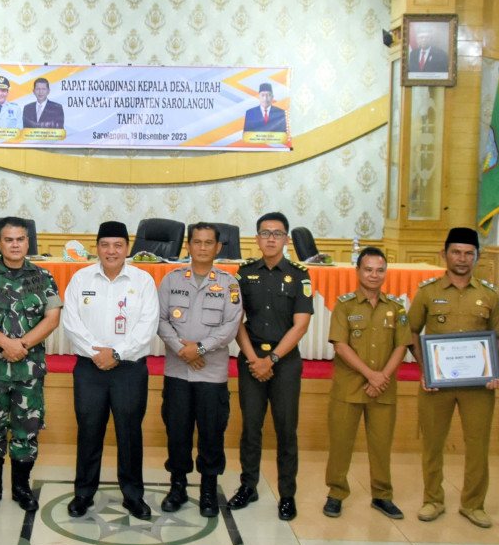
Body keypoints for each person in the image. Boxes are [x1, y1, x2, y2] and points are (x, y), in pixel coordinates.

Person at [408, 226, 499, 528]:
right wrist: (425, 370)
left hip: (479, 386)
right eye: (456, 252)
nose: (462, 259)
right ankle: (432, 499)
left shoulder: (489, 294)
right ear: (444, 253)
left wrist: (494, 369)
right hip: (437, 385)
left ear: (476, 257)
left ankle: (473, 504)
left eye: (468, 253)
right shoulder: (428, 292)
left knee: (477, 445)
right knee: (433, 443)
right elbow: (411, 330)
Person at [61, 221, 159, 519]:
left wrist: (117, 353)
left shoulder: (143, 281)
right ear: (97, 248)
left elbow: (148, 324)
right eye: (105, 245)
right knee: (89, 431)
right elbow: (71, 322)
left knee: (130, 433)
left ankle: (133, 495)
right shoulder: (80, 278)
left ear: (127, 248)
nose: (111, 251)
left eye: (118, 245)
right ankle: (83, 493)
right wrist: (98, 354)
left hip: (129, 369)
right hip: (89, 370)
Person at [0, 216, 62, 512]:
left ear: (28, 242)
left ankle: (21, 487)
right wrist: (5, 344)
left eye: (20, 239)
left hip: (28, 370)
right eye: (8, 239)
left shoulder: (43, 276)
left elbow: (53, 317)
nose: (15, 245)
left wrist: (21, 345)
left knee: (27, 428)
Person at [228, 212, 313, 520]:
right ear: (257, 238)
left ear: (286, 240)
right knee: (250, 427)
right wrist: (253, 359)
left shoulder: (300, 274)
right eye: (265, 233)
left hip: (285, 363)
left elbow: (300, 325)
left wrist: (272, 359)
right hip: (251, 360)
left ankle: (287, 494)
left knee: (285, 429)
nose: (271, 238)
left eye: (277, 234)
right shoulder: (244, 272)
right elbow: (235, 320)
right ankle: (247, 486)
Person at [157, 223, 243, 518]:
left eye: (209, 243)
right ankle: (177, 486)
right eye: (197, 242)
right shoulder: (171, 280)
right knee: (177, 431)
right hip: (178, 372)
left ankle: (208, 489)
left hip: (211, 374)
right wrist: (184, 350)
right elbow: (161, 320)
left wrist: (200, 349)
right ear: (188, 246)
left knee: (211, 433)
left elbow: (230, 327)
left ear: (219, 248)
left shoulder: (230, 284)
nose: (203, 247)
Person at [323, 247, 410, 519]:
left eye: (380, 270)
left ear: (385, 273)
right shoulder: (345, 305)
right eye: (368, 269)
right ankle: (336, 493)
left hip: (383, 390)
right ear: (358, 271)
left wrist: (381, 377)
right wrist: (371, 375)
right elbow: (340, 345)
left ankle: (382, 496)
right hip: (349, 388)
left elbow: (402, 346)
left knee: (381, 445)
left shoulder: (396, 308)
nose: (374, 275)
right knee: (340, 443)